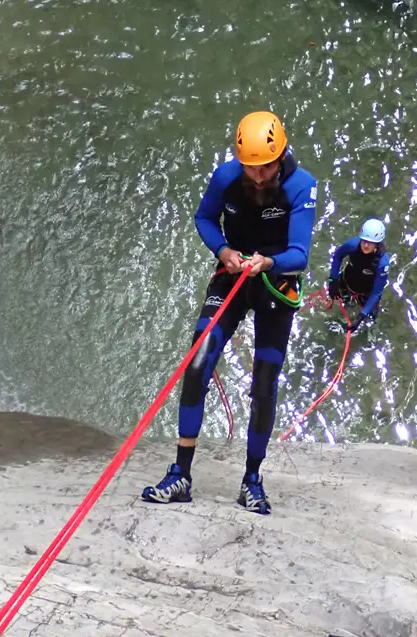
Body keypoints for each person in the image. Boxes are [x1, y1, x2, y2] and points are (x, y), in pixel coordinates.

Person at [141, 111, 317, 515]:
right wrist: (223, 251)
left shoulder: (301, 187)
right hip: (232, 274)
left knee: (264, 382)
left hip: (276, 282)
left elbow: (300, 254)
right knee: (198, 362)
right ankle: (181, 474)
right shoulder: (225, 177)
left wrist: (267, 263)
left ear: (281, 156)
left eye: (266, 168)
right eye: (251, 169)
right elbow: (204, 218)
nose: (258, 177)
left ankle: (252, 480)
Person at [327, 218, 391, 332]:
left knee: (371, 318)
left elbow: (377, 292)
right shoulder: (353, 245)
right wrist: (333, 280)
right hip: (346, 282)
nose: (366, 245)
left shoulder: (382, 262)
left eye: (370, 242)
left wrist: (361, 316)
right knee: (344, 304)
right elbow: (337, 256)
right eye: (364, 241)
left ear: (377, 243)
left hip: (367, 292)